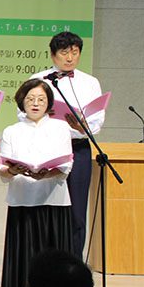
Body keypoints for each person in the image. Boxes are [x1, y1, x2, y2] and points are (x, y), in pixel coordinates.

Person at [0, 78, 74, 287]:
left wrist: (46, 173)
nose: (35, 103)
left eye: (41, 99)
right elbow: (3, 172)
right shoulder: (11, 131)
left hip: (54, 201)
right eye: (30, 99)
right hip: (22, 201)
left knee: (53, 264)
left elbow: (66, 167)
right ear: (22, 102)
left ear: (49, 103)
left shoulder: (60, 128)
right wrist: (15, 169)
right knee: (25, 262)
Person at [32, 31, 103, 260]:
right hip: (48, 148)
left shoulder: (90, 82)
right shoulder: (39, 81)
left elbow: (97, 120)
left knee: (77, 210)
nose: (70, 57)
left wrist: (82, 127)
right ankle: (45, 260)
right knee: (46, 207)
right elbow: (22, 114)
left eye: (75, 52)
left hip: (79, 148)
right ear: (53, 55)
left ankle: (74, 262)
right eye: (64, 52)